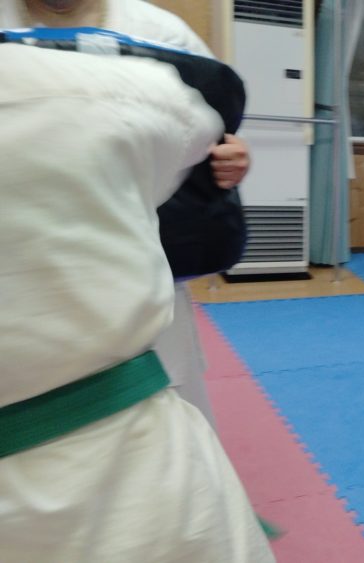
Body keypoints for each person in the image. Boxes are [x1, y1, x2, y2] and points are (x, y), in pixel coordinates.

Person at [0, 42, 274, 563]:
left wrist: (230, 153)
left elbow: (213, 120)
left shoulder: (149, 38)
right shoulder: (93, 83)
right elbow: (200, 113)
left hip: (127, 362)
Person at [2, 0, 252, 427]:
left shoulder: (161, 32)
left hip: (140, 272)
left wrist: (234, 158)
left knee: (166, 420)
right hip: (22, 281)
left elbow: (215, 129)